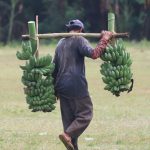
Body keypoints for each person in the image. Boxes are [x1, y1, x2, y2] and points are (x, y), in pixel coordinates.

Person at [52, 19, 113, 150]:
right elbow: (95, 54)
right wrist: (105, 39)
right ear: (80, 30)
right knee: (86, 114)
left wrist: (54, 90)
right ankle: (67, 135)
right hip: (76, 84)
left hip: (61, 86)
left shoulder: (60, 43)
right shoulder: (79, 39)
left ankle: (69, 138)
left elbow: (54, 69)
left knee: (69, 122)